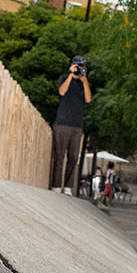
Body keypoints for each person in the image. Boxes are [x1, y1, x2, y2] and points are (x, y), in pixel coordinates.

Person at [51, 56, 91, 195]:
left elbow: (88, 99)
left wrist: (84, 81)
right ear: (72, 65)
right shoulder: (64, 77)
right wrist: (70, 75)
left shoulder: (83, 83)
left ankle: (68, 187)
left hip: (77, 125)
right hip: (62, 123)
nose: (79, 68)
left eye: (82, 66)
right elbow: (62, 92)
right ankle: (56, 185)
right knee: (59, 156)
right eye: (77, 66)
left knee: (73, 157)